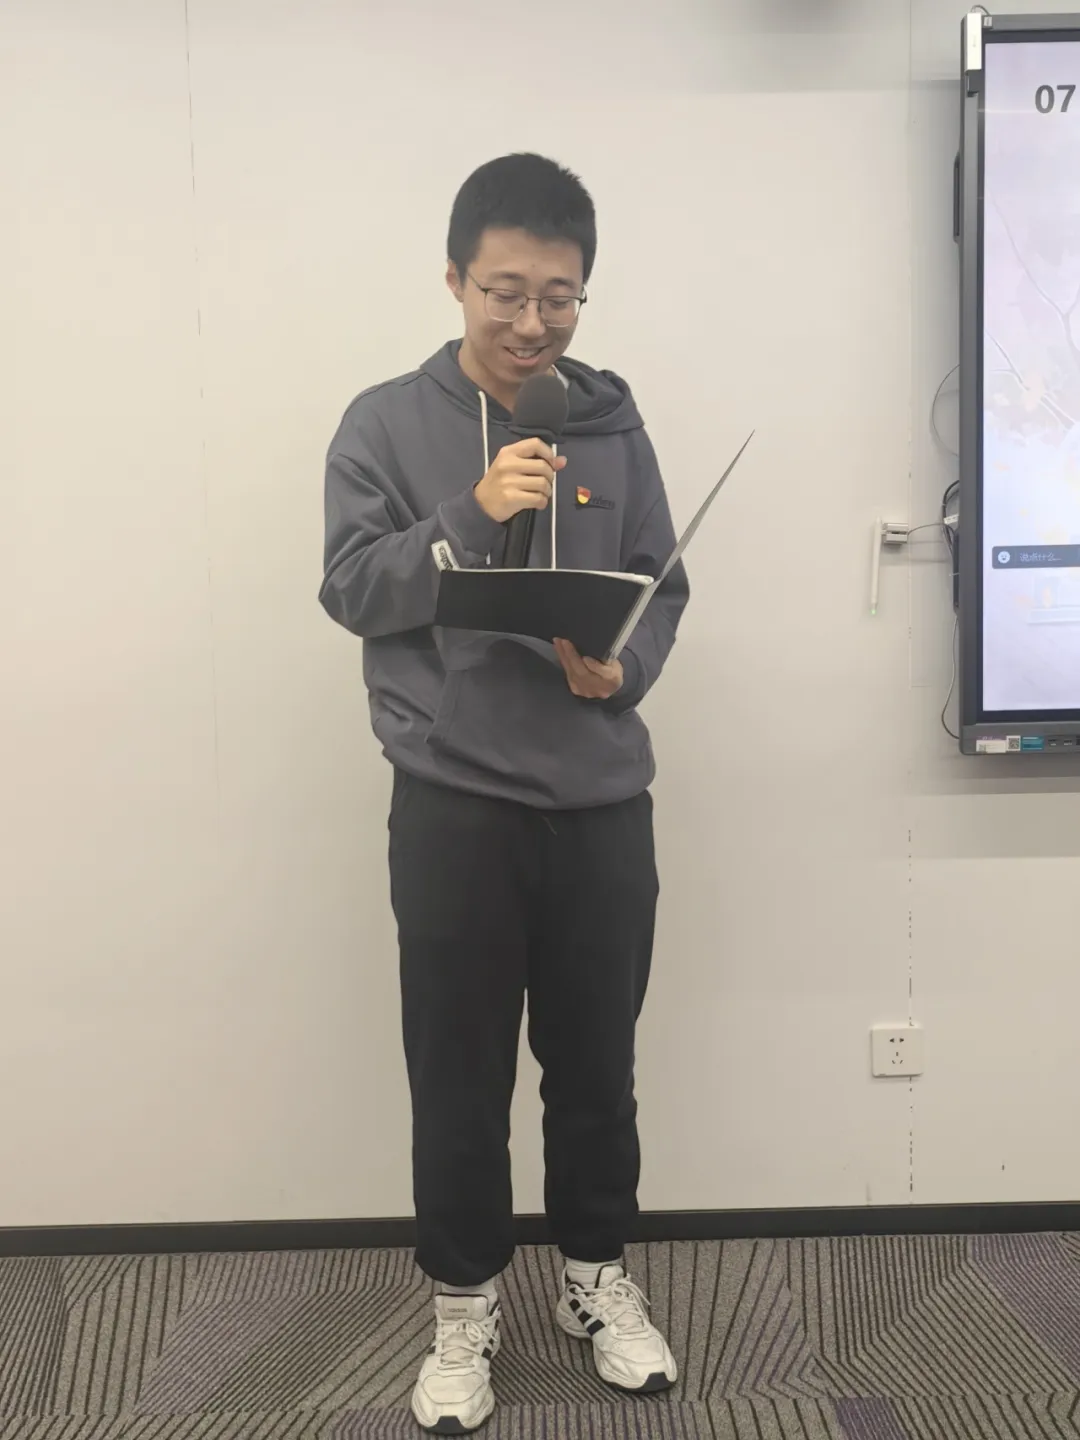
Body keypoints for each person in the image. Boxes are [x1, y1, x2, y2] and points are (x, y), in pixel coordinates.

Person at [319, 152, 689, 1435]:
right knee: (459, 1073)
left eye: (561, 298)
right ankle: (464, 1304)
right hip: (455, 803)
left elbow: (662, 582)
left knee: (596, 1068)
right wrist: (468, 515)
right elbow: (351, 588)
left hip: (601, 803)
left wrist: (624, 667)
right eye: (507, 294)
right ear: (455, 280)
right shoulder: (383, 423)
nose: (535, 323)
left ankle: (595, 1277)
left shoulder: (614, 425)